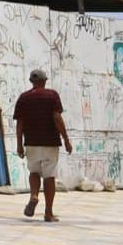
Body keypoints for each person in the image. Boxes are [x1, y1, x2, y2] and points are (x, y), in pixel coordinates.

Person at [13, 68, 73, 222]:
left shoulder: (23, 98)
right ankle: (48, 213)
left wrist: (19, 144)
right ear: (45, 81)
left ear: (31, 82)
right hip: (50, 142)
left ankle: (34, 195)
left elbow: (20, 124)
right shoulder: (52, 95)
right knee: (49, 176)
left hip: (31, 142)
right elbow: (57, 118)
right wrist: (66, 139)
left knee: (34, 171)